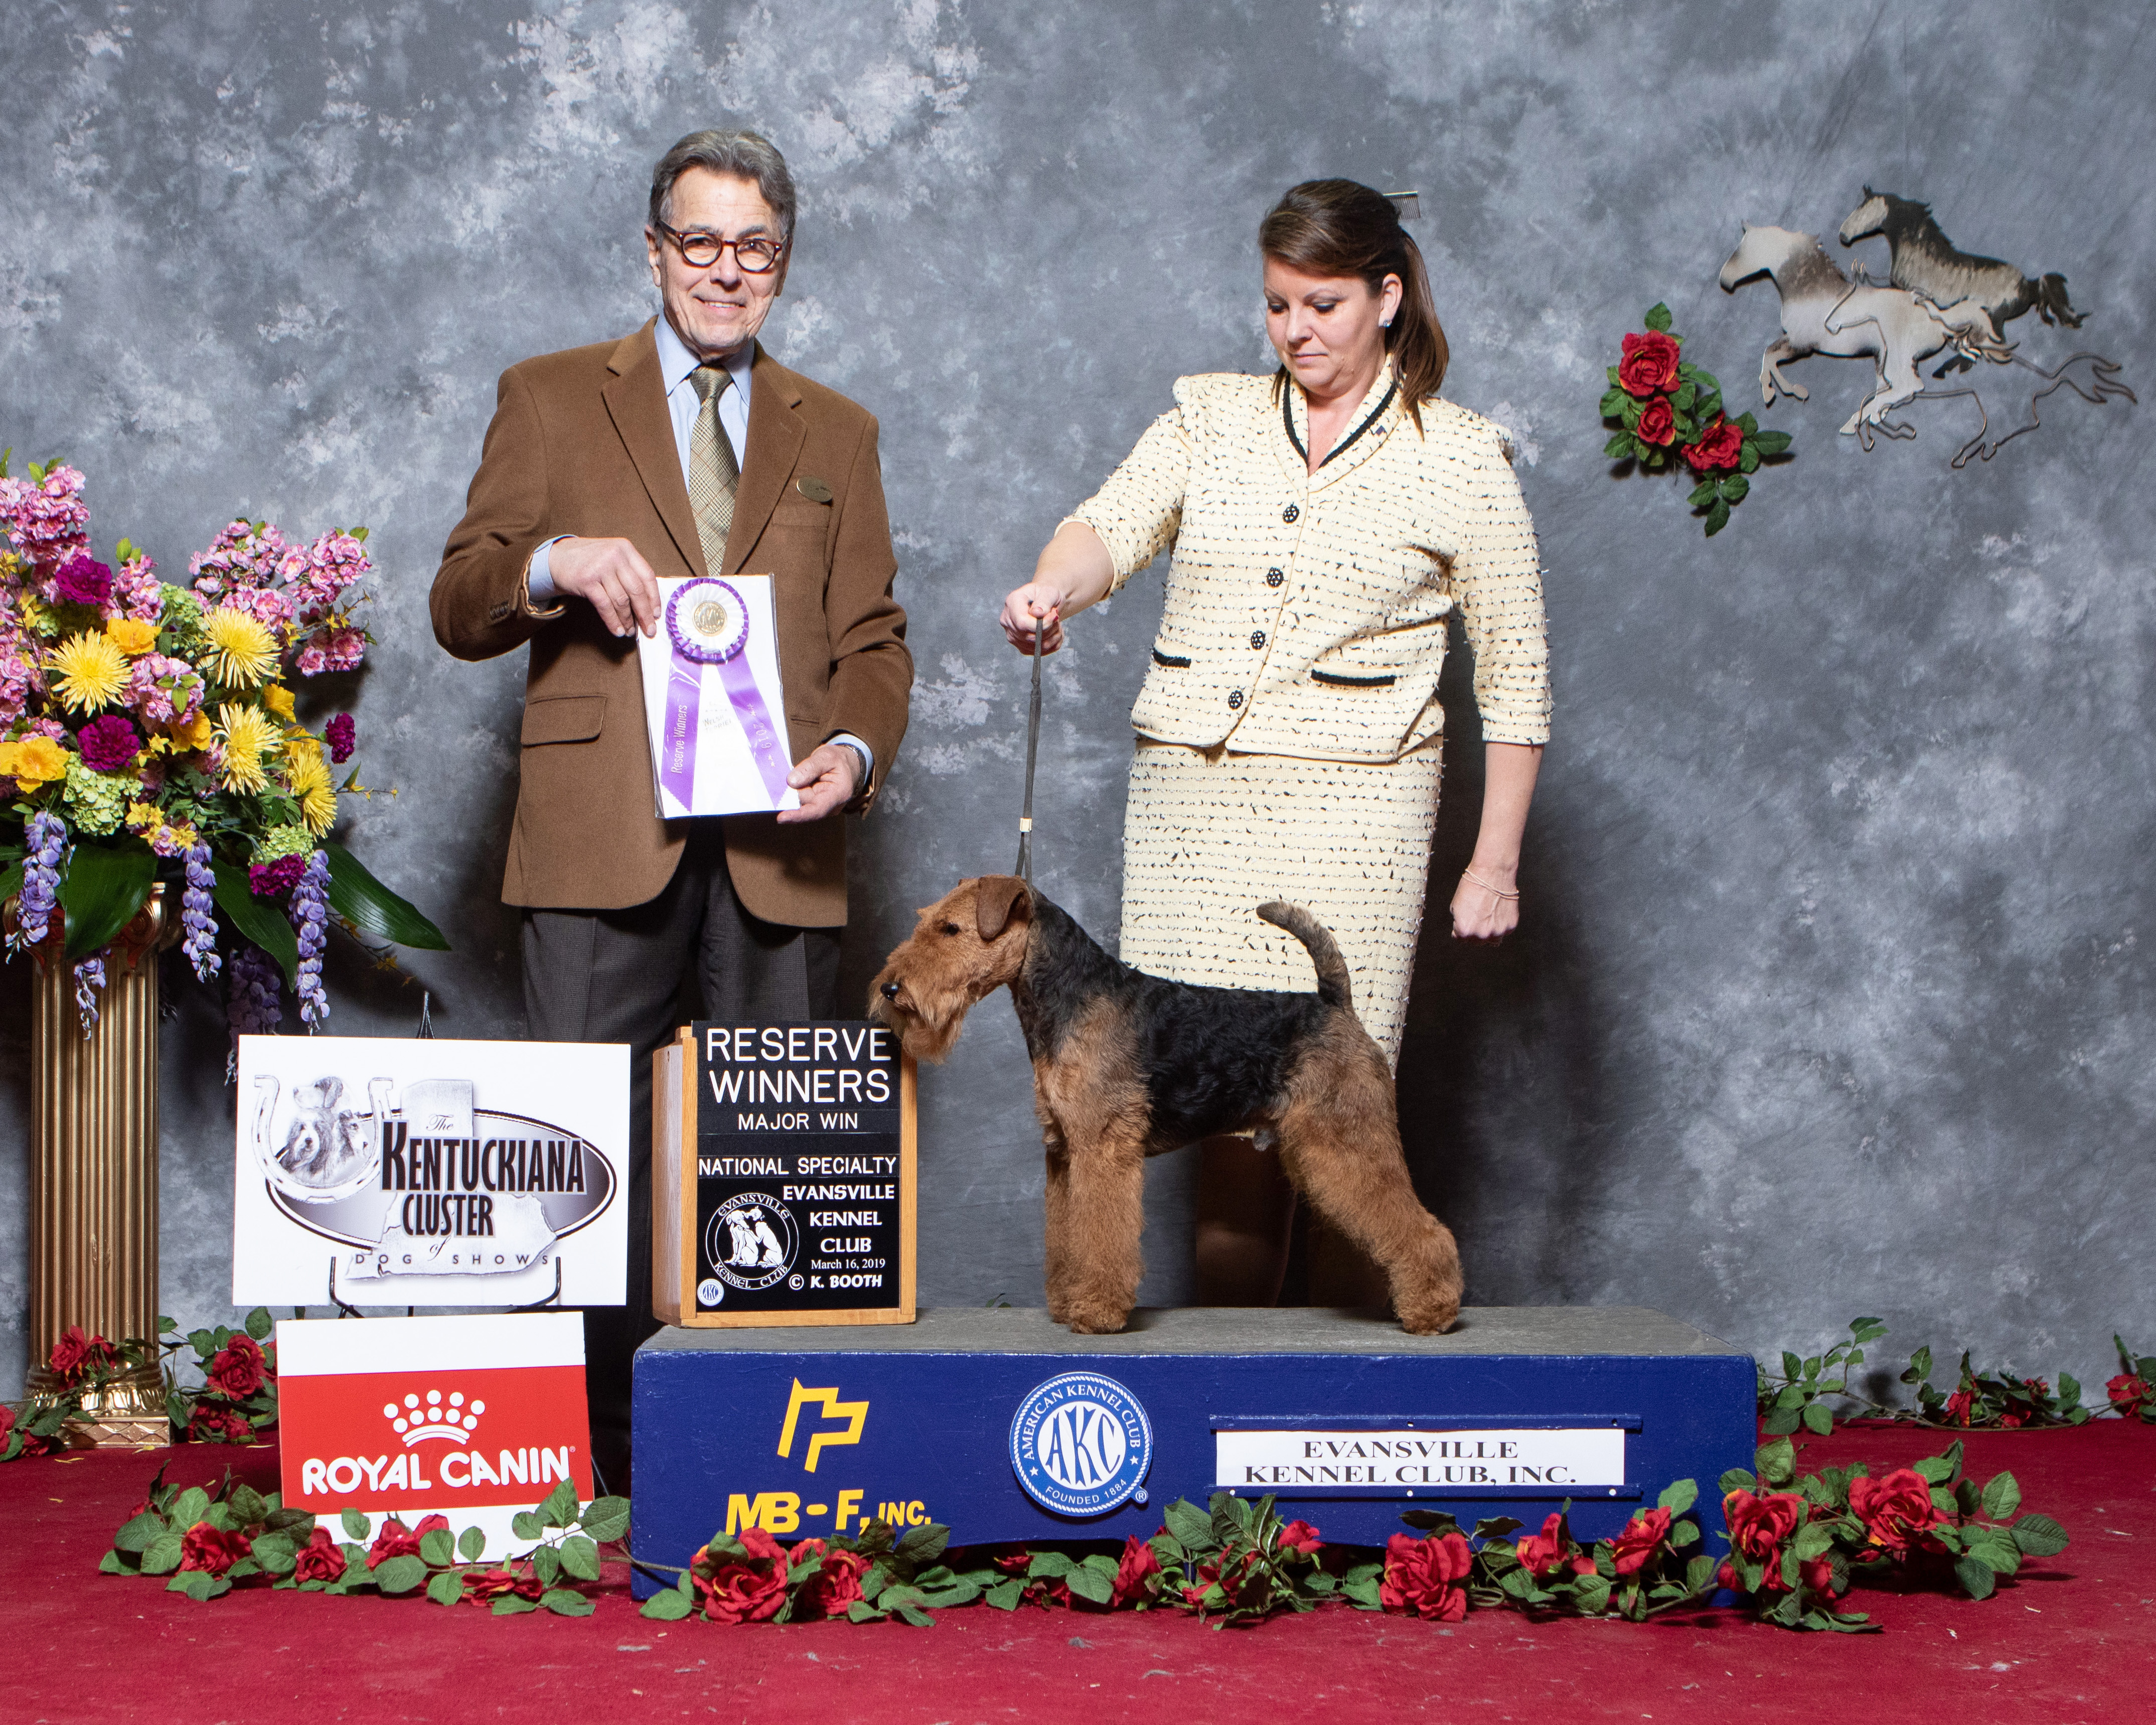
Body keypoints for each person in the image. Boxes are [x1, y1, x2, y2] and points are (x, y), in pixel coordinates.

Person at [431, 129, 912, 1483]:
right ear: (652, 250)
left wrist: (858, 757)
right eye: (698, 242)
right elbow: (457, 600)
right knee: (583, 1156)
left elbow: (875, 640)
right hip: (597, 836)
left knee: (771, 1154)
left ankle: (764, 1458)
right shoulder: (545, 397)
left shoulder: (842, 430)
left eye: (754, 248)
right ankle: (581, 1456)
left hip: (779, 841)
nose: (724, 270)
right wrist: (553, 561)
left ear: (782, 265)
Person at [998, 179, 1548, 1309]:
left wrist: (1493, 862)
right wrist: (1055, 587)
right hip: (1191, 814)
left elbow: (1517, 675)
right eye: (1277, 306)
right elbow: (1111, 522)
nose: (1296, 331)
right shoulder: (1207, 418)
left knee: (1337, 1108)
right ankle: (1226, 1403)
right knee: (1202, 1117)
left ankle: (1364, 1402)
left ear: (1388, 298)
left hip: (1357, 812)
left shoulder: (1463, 458)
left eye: (1325, 304)